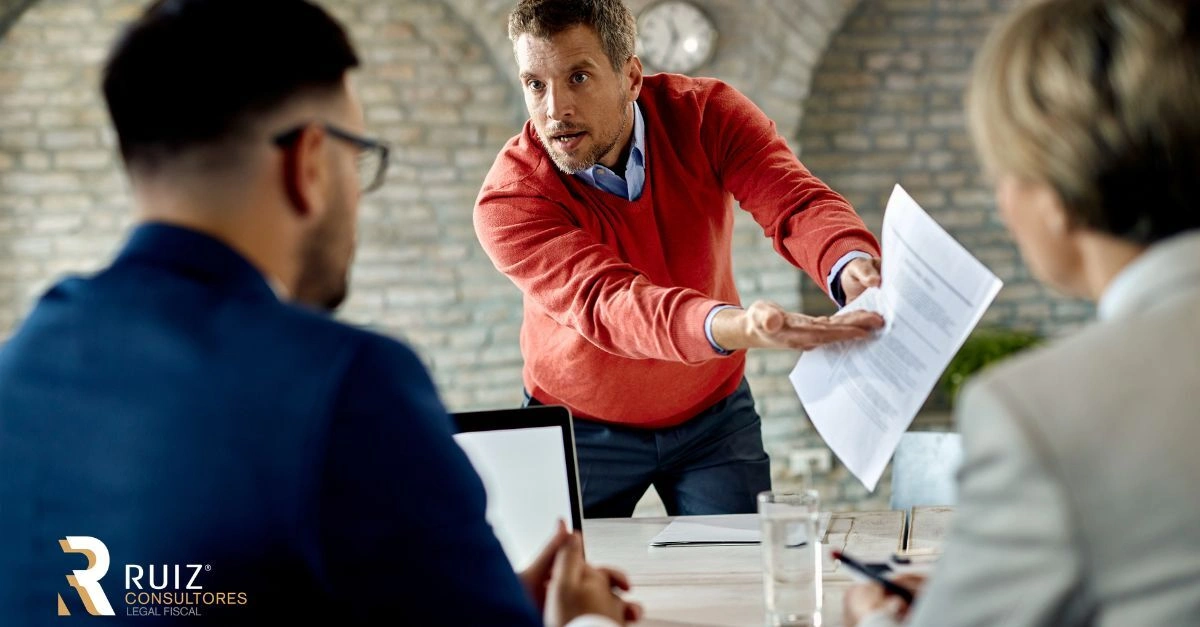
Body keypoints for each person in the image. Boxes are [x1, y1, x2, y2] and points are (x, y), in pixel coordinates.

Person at [0, 1, 638, 625]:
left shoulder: (27, 356)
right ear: (309, 163)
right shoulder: (348, 383)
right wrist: (579, 621)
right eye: (354, 159)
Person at [845, 0, 1200, 624]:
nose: (1002, 200)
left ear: (1058, 196)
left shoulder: (1039, 413)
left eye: (1004, 172)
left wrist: (877, 619)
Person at [474, 0, 886, 518]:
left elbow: (792, 199)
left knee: (738, 576)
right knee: (562, 588)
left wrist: (849, 262)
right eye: (535, 83)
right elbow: (611, 302)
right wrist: (739, 328)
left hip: (713, 417)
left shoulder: (708, 114)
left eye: (578, 77)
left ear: (630, 76)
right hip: (579, 427)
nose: (554, 109)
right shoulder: (510, 199)